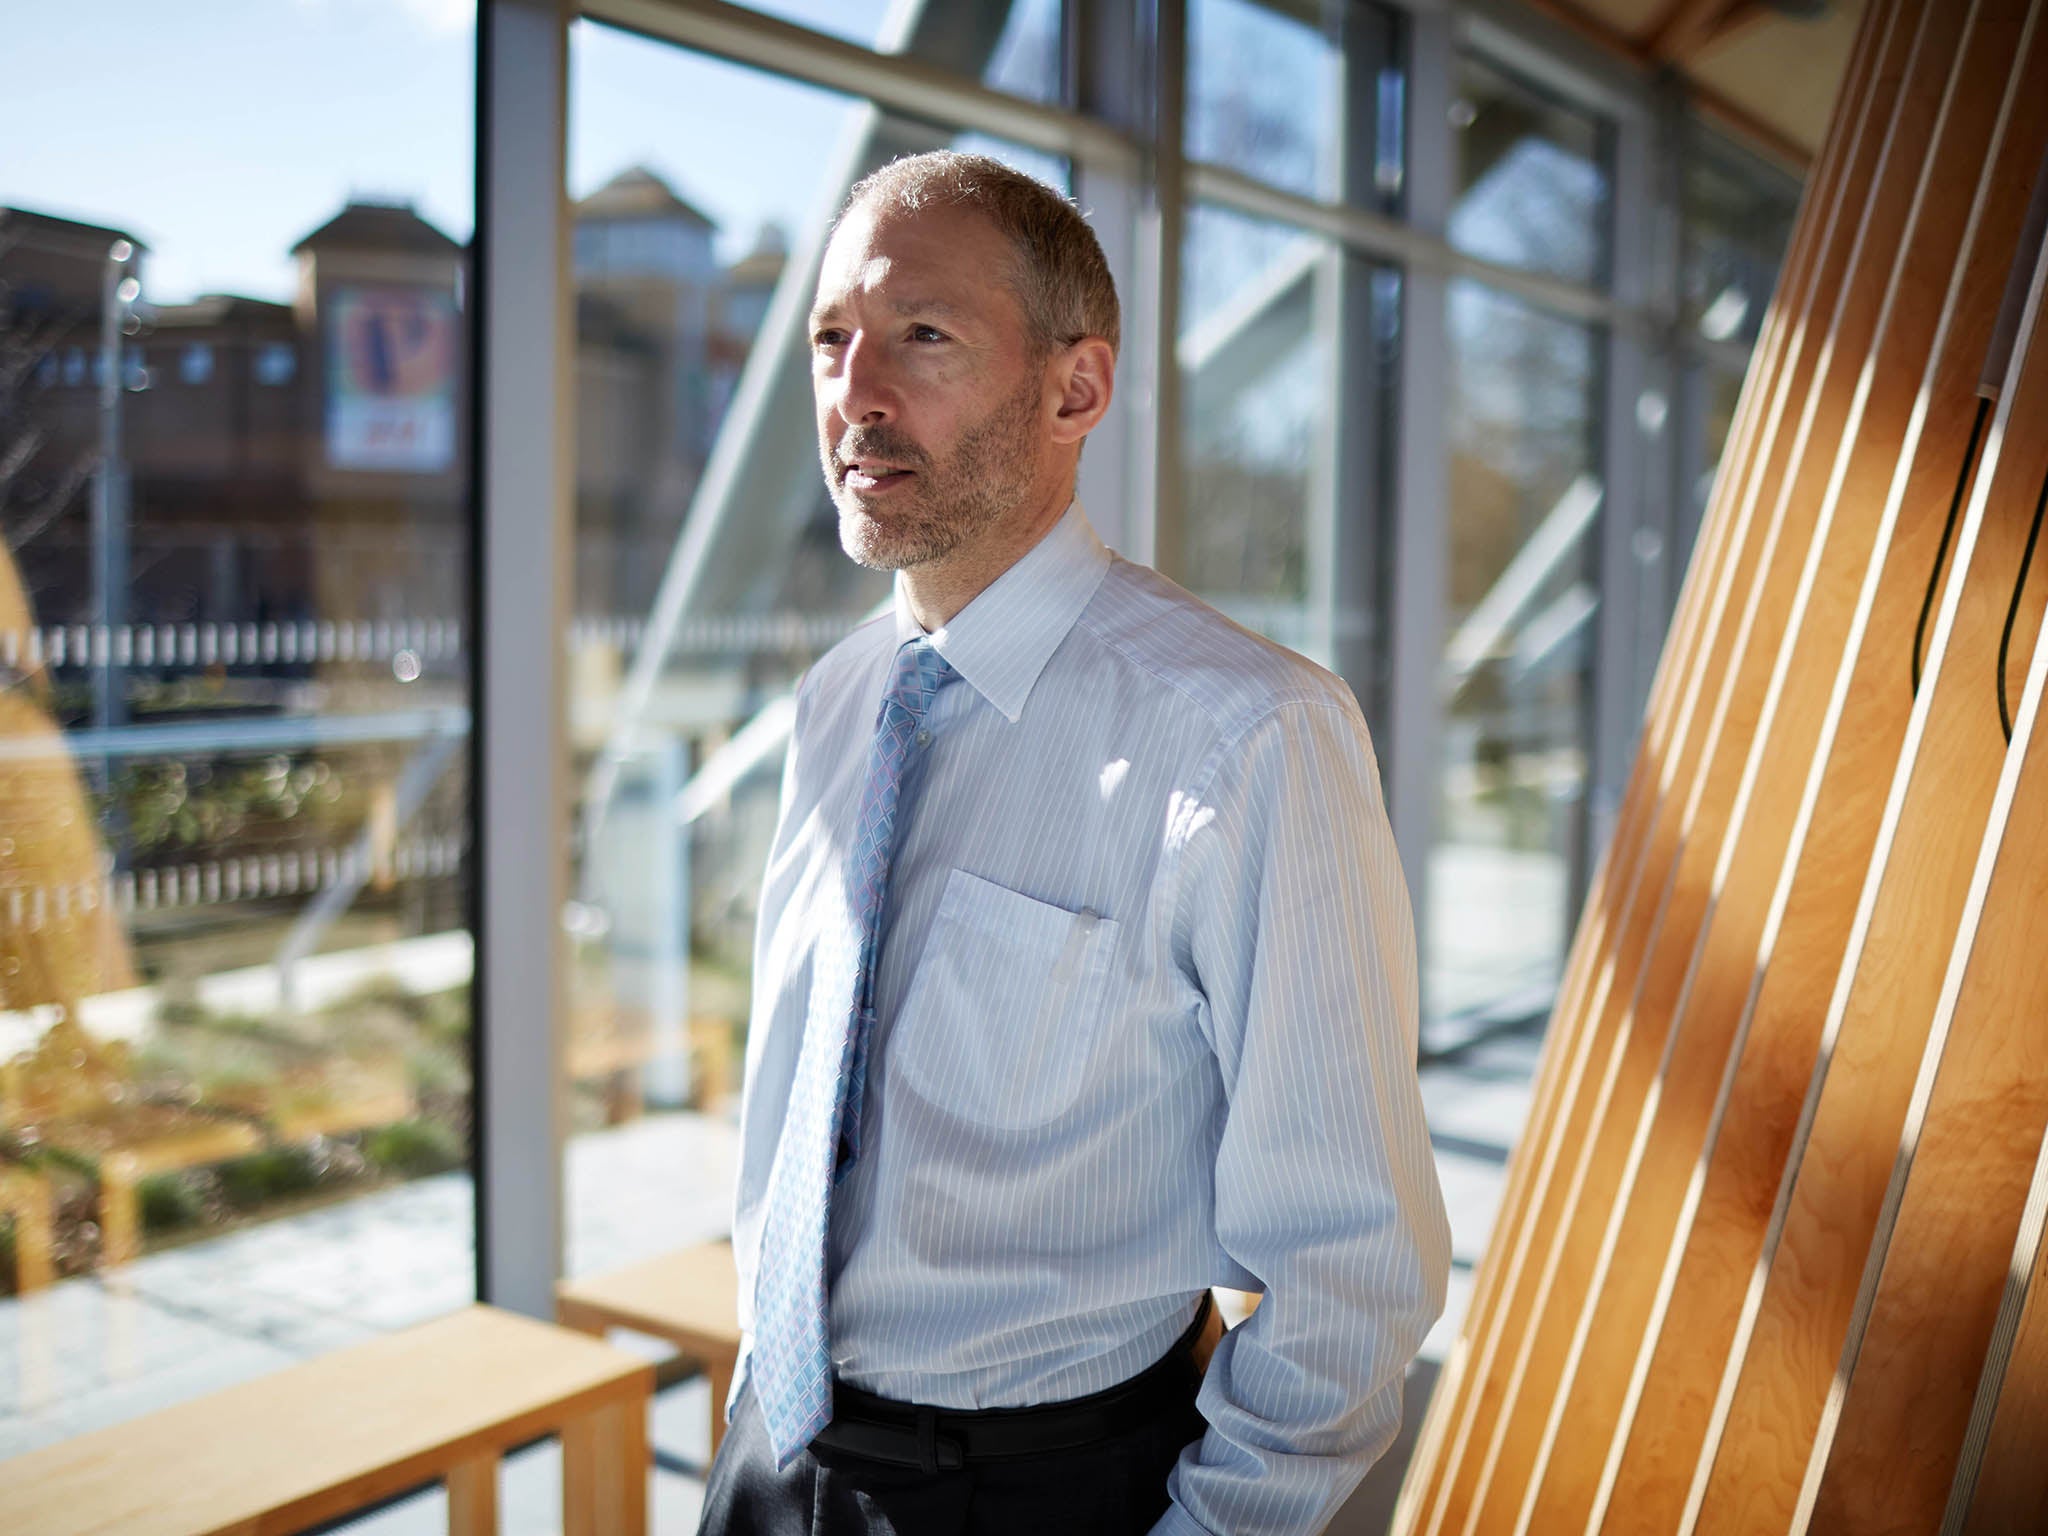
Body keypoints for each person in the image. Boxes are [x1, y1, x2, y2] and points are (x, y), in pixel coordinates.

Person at [701, 151, 1450, 1536]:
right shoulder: (839, 699)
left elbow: (1351, 1275)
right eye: (829, 340)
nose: (853, 395)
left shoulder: (1249, 738)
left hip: (1038, 1494)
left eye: (922, 337)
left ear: (1075, 389)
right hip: (771, 1458)